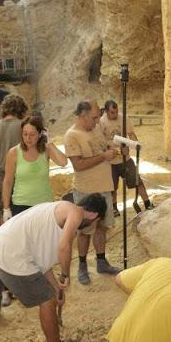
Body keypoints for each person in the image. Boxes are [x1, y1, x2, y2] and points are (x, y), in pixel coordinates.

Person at [0, 194, 106, 342]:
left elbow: (41, 263)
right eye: (96, 222)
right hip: (12, 256)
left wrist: (56, 286)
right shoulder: (75, 213)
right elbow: (64, 247)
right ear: (95, 215)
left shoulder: (56, 210)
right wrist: (65, 275)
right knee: (47, 300)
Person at [64, 101, 120, 284]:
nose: (97, 121)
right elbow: (78, 165)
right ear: (83, 116)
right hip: (86, 191)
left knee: (102, 226)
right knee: (85, 231)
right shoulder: (72, 136)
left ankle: (101, 261)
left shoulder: (95, 129)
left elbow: (103, 147)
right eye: (94, 117)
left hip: (104, 187)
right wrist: (104, 157)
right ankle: (82, 265)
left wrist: (114, 150)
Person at [2, 115, 67, 219]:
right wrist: (6, 209)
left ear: (41, 134)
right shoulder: (13, 153)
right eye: (25, 134)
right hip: (21, 205)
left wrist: (50, 144)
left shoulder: (46, 150)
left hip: (44, 204)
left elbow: (63, 162)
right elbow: (8, 181)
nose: (28, 138)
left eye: (32, 134)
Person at [99, 100, 154, 216]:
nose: (115, 115)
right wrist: (113, 149)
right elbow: (100, 142)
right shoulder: (101, 122)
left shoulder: (123, 118)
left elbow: (131, 134)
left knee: (137, 180)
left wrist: (135, 144)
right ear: (106, 112)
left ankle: (147, 203)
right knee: (112, 187)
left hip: (126, 158)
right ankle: (114, 208)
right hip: (111, 161)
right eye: (112, 113)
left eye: (116, 111)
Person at [0, 94, 29, 210]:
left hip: (2, 172)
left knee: (7, 205)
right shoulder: (23, 126)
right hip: (22, 172)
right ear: (21, 108)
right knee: (24, 207)